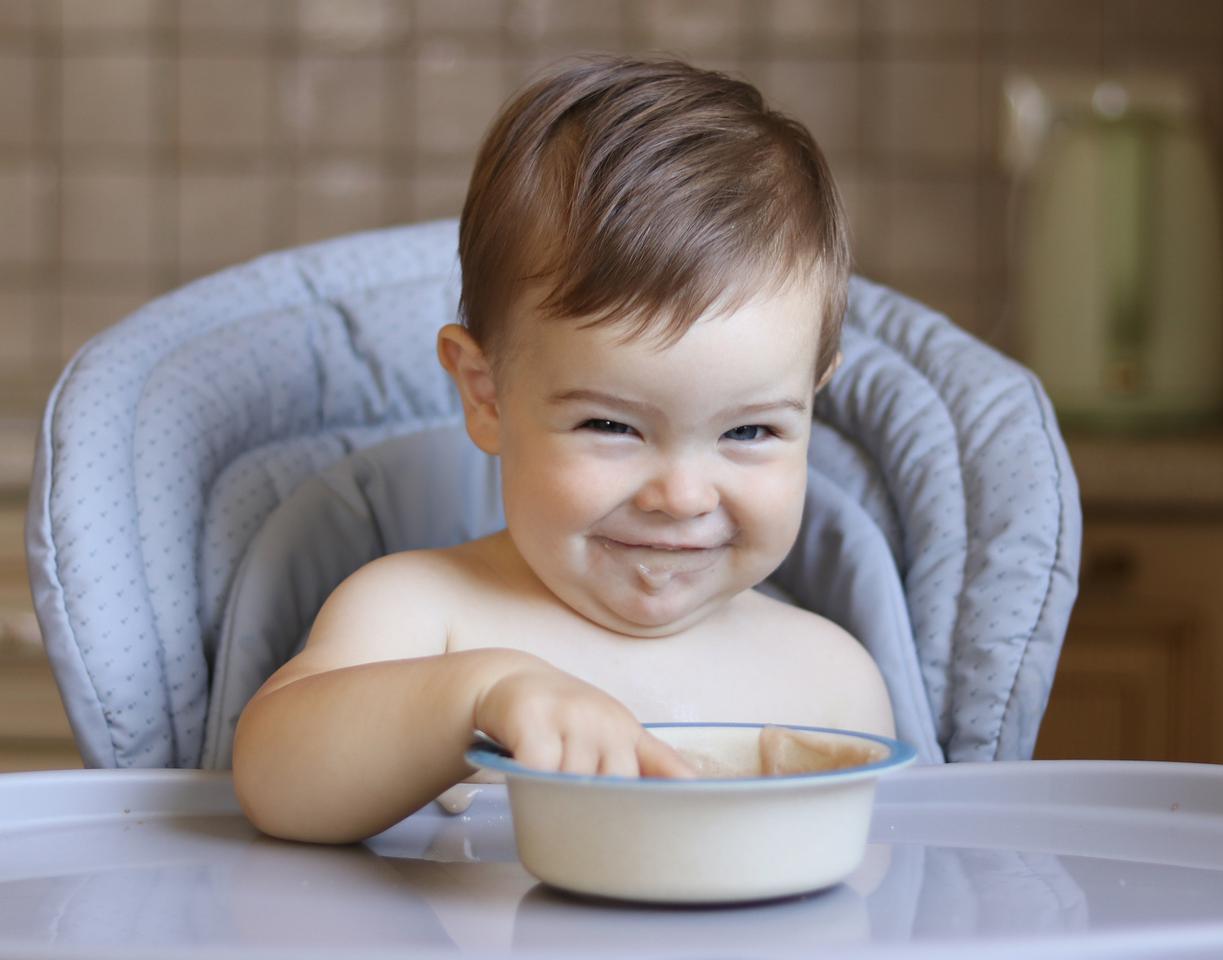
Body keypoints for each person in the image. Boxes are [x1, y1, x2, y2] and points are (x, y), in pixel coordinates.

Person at [232, 54, 893, 844]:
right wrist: (479, 691)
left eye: (749, 431)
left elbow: (885, 899)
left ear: (813, 404)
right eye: (610, 426)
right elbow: (276, 785)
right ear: (486, 396)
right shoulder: (420, 616)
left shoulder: (830, 682)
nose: (681, 496)